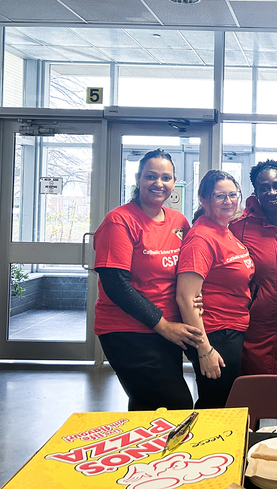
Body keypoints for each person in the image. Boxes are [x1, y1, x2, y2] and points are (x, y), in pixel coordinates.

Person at [93, 148, 203, 411]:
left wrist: (195, 297)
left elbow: (188, 269)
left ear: (174, 182)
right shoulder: (119, 221)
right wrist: (164, 326)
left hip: (169, 329)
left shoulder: (178, 222)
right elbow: (116, 285)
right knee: (176, 406)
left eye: (166, 177)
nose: (159, 183)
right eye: (151, 176)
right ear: (138, 179)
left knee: (147, 407)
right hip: (129, 332)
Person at [176, 170, 254, 408]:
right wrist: (205, 350)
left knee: (225, 403)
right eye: (220, 196)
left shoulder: (224, 230)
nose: (228, 201)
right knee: (216, 407)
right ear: (204, 200)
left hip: (230, 330)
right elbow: (185, 297)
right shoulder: (201, 238)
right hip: (214, 333)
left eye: (233, 194)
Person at [230, 159, 277, 375]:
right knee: (259, 386)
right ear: (256, 192)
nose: (272, 193)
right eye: (264, 188)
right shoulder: (239, 229)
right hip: (258, 326)